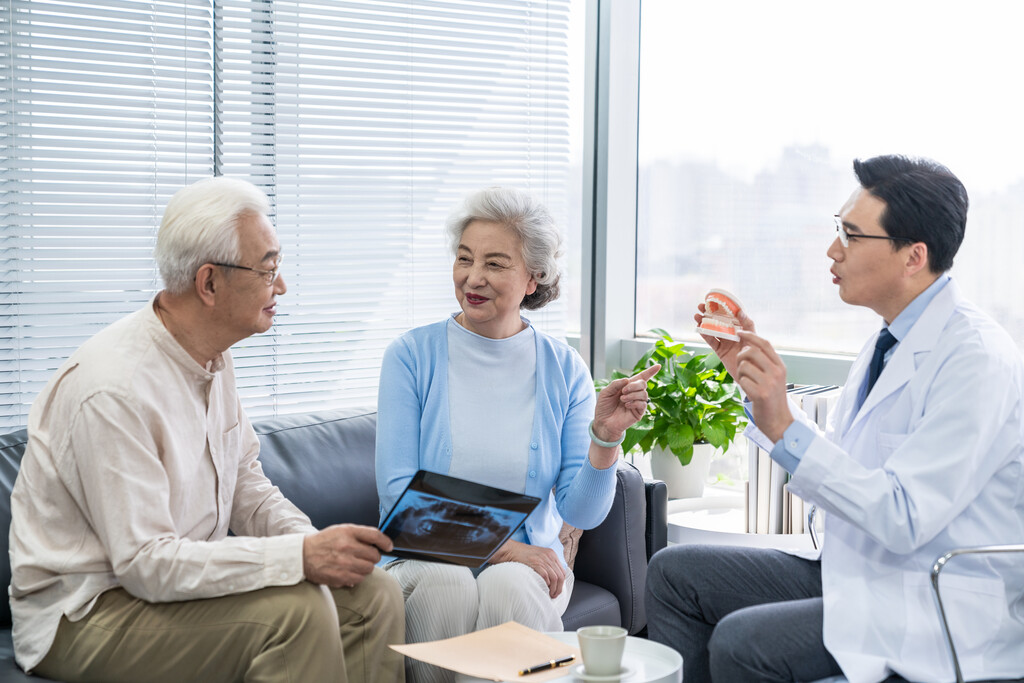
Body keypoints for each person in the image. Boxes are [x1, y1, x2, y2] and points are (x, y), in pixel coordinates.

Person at [9, 176, 405, 683]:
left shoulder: (211, 356)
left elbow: (246, 485)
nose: (281, 286)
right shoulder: (113, 390)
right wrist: (298, 559)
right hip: (86, 613)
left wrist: (318, 549)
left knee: (374, 593)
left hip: (168, 590)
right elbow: (147, 565)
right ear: (210, 283)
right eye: (268, 269)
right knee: (297, 614)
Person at [645, 155, 1024, 683]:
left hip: (936, 603)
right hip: (859, 573)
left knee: (744, 642)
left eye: (850, 235)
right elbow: (849, 465)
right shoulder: (887, 340)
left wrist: (785, 427)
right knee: (673, 574)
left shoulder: (976, 358)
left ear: (913, 256)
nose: (832, 250)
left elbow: (903, 517)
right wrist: (754, 388)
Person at [375, 186, 658, 683]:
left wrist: (605, 439)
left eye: (495, 263)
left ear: (534, 278)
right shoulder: (410, 357)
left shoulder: (563, 367)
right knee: (448, 583)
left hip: (529, 565)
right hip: (426, 556)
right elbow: (401, 501)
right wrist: (506, 547)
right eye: (464, 259)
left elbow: (580, 512)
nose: (473, 277)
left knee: (512, 586)